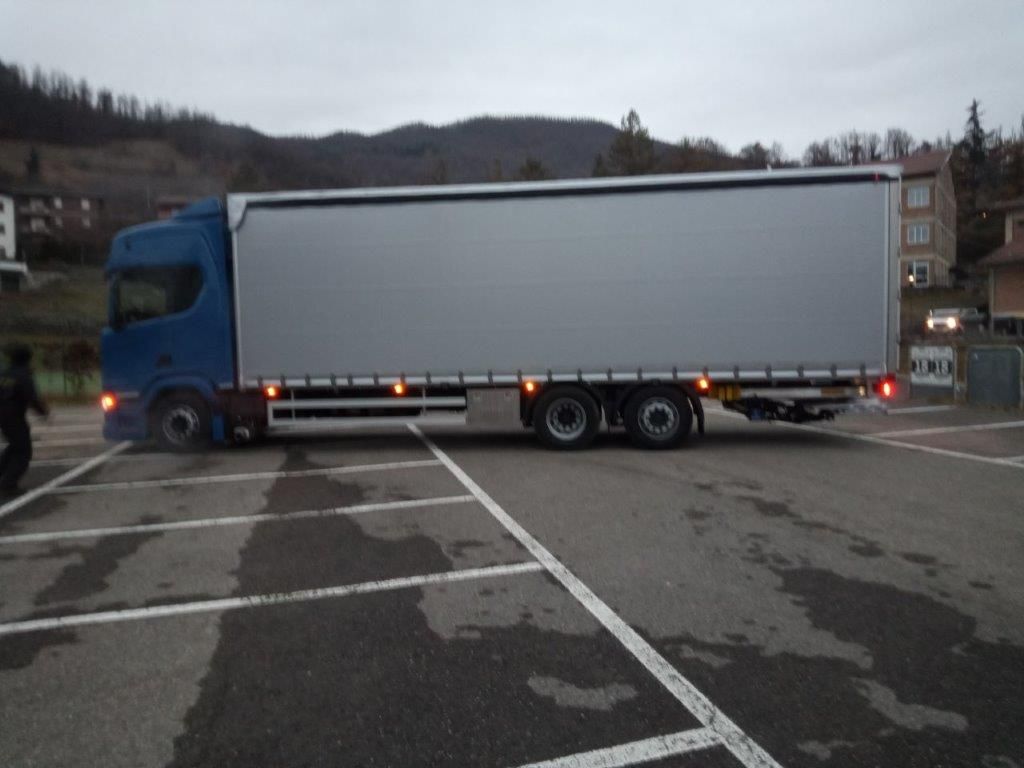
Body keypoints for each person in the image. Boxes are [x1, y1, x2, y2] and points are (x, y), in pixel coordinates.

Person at [0, 344, 49, 497]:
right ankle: (8, 484)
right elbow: (31, 398)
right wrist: (43, 412)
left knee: (15, 446)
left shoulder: (4, 374)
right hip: (13, 416)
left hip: (3, 416)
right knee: (23, 452)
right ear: (28, 359)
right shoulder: (23, 376)